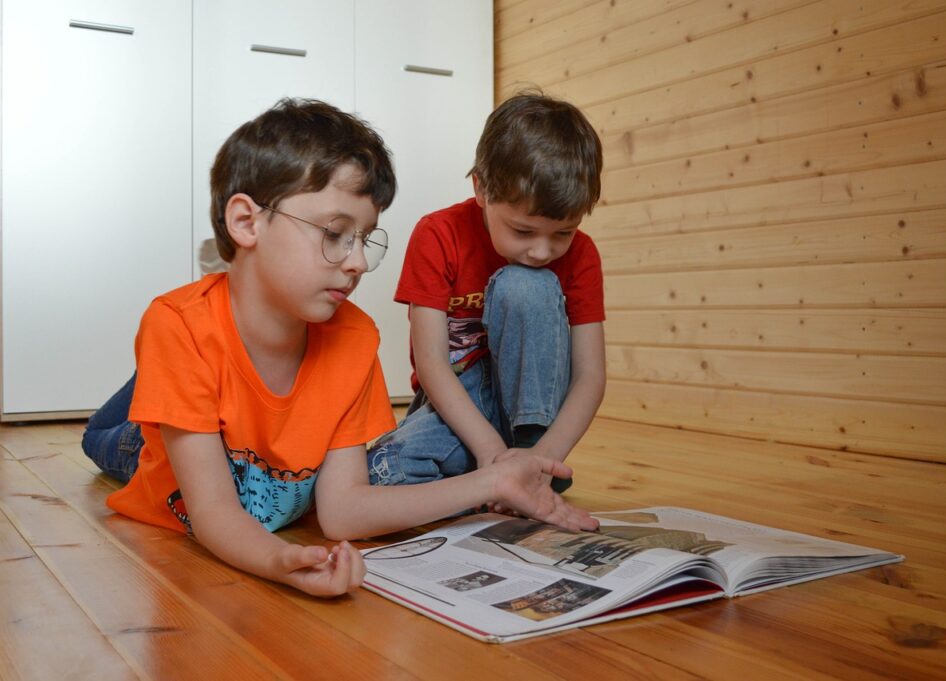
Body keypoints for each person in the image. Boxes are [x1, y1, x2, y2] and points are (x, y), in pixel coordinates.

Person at [82, 98, 596, 599]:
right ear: (246, 222)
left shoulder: (354, 339)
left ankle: (174, 378)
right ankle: (150, 393)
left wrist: (498, 482)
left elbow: (343, 512)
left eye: (365, 238)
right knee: (107, 439)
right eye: (335, 234)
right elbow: (215, 512)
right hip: (155, 453)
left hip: (255, 440)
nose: (357, 263)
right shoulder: (175, 326)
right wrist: (275, 561)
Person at [366, 92, 606, 498]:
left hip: (536, 406)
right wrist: (490, 450)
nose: (542, 251)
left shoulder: (582, 255)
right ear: (481, 189)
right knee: (383, 473)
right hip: (460, 401)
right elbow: (431, 363)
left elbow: (589, 375)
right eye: (523, 231)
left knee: (527, 283)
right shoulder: (437, 235)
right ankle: (502, 481)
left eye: (563, 232)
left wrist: (546, 454)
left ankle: (527, 461)